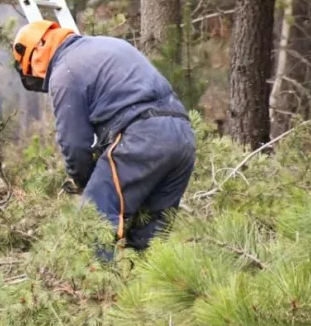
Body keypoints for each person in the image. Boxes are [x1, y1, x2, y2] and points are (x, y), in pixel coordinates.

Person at [12, 20, 196, 251]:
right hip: (183, 137)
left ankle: (90, 287)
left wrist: (85, 182)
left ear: (35, 52)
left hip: (142, 139)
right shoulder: (107, 45)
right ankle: (147, 287)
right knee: (151, 243)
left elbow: (75, 144)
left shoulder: (65, 72)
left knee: (91, 227)